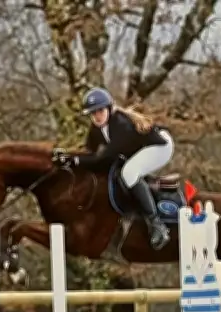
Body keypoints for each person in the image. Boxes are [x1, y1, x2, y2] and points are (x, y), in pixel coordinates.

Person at [52, 87, 173, 251]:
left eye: (100, 111)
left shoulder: (121, 126)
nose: (97, 116)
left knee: (129, 173)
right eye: (93, 113)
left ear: (109, 109)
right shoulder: (97, 129)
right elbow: (88, 151)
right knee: (125, 172)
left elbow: (102, 160)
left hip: (160, 147)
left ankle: (157, 224)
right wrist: (66, 156)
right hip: (141, 148)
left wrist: (74, 161)